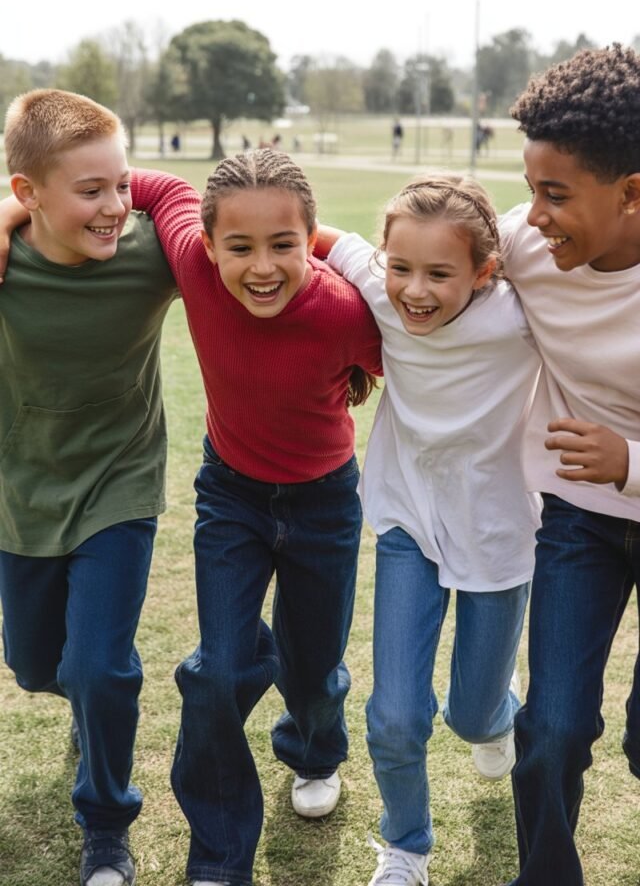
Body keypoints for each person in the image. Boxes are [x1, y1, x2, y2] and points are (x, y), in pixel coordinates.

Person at [130, 148, 382, 886]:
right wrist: (12, 210)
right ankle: (218, 856)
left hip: (326, 503)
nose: (262, 266)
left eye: (285, 244)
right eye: (239, 246)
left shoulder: (342, 309)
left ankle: (312, 752)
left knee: (311, 665)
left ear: (312, 240)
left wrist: (346, 251)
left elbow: (425, 356)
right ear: (208, 247)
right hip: (231, 496)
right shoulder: (189, 255)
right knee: (219, 671)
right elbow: (150, 183)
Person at [316, 173, 541, 886]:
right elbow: (316, 232)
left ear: (485, 271)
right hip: (407, 517)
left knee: (474, 720)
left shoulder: (518, 316)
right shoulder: (380, 286)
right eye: (401, 266)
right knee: (395, 713)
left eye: (440, 273)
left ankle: (499, 703)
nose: (414, 289)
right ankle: (406, 845)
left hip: (500, 532)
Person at [0, 90, 192, 886]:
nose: (116, 207)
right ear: (26, 195)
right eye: (91, 191)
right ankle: (80, 704)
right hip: (21, 492)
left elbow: (271, 240)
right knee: (38, 668)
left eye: (122, 185)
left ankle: (107, 828)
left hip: (120, 481)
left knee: (103, 668)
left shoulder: (150, 253)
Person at [499, 43, 640, 886]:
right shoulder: (527, 247)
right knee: (550, 730)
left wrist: (628, 457)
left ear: (631, 192)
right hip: (581, 522)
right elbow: (390, 251)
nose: (537, 215)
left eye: (557, 194)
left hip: (620, 480)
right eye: (530, 190)